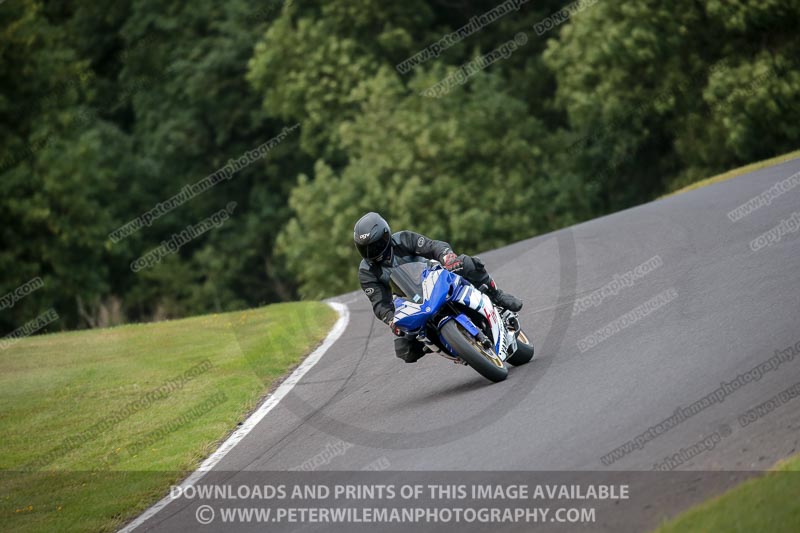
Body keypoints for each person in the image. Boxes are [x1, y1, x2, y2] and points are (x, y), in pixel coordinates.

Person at [354, 212, 523, 363]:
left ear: (386, 235)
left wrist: (447, 257)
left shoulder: (403, 239)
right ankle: (438, 343)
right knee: (406, 351)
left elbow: (432, 246)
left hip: (432, 276)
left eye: (375, 245)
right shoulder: (366, 272)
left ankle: (496, 295)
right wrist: (391, 319)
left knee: (468, 264)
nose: (371, 252)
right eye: (365, 249)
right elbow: (379, 303)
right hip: (409, 299)